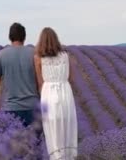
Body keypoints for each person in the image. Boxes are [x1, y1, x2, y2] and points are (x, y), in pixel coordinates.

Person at [33, 27, 78, 160]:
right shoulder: (65, 56)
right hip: (65, 91)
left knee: (52, 128)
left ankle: (56, 156)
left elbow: (40, 81)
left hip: (48, 92)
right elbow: (71, 78)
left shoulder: (38, 58)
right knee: (67, 124)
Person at [0, 22, 40, 128]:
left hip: (10, 108)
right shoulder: (34, 53)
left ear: (10, 37)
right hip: (32, 107)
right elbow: (39, 79)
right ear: (24, 37)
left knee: (13, 143)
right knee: (35, 142)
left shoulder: (1, 54)